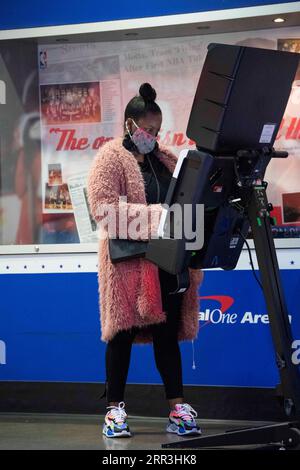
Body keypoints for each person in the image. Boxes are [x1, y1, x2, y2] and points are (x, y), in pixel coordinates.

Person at [87, 83, 204, 439]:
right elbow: (104, 210)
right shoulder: (110, 158)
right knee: (120, 335)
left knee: (166, 335)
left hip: (164, 262)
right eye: (146, 130)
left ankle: (178, 409)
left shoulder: (165, 159)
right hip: (125, 266)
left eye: (156, 131)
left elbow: (185, 203)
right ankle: (114, 411)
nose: (152, 137)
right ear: (129, 125)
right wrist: (159, 217)